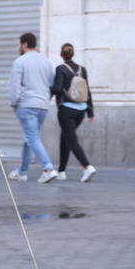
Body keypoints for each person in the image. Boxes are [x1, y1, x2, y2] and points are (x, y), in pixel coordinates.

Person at [6, 32, 58, 184]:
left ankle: (48, 169)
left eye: (19, 44)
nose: (19, 47)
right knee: (29, 138)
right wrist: (45, 100)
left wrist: (14, 102)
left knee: (32, 138)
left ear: (23, 44)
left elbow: (15, 86)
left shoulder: (20, 61)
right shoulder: (47, 62)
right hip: (42, 105)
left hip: (26, 104)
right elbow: (51, 84)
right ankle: (22, 171)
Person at [51, 43, 96, 182]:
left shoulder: (60, 69)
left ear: (61, 55)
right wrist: (90, 112)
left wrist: (48, 90)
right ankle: (61, 171)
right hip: (80, 111)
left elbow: (58, 89)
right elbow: (87, 91)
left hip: (66, 110)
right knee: (65, 137)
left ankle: (87, 167)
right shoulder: (82, 70)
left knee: (71, 140)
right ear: (73, 53)